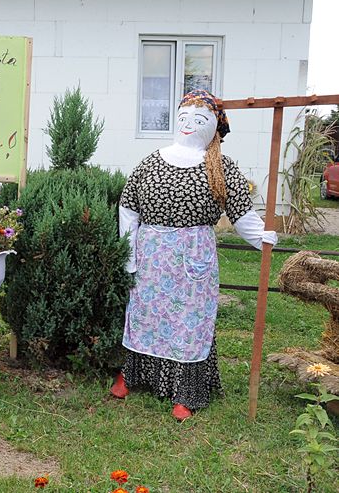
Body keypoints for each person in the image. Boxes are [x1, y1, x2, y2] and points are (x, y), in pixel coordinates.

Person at [110, 90, 277, 421]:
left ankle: (187, 391)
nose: (189, 124)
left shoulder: (221, 168)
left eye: (199, 120)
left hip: (193, 258)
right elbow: (128, 207)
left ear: (213, 127)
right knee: (146, 314)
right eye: (184, 117)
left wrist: (261, 237)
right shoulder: (151, 162)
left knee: (190, 322)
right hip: (151, 257)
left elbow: (241, 211)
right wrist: (128, 254)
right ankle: (132, 375)